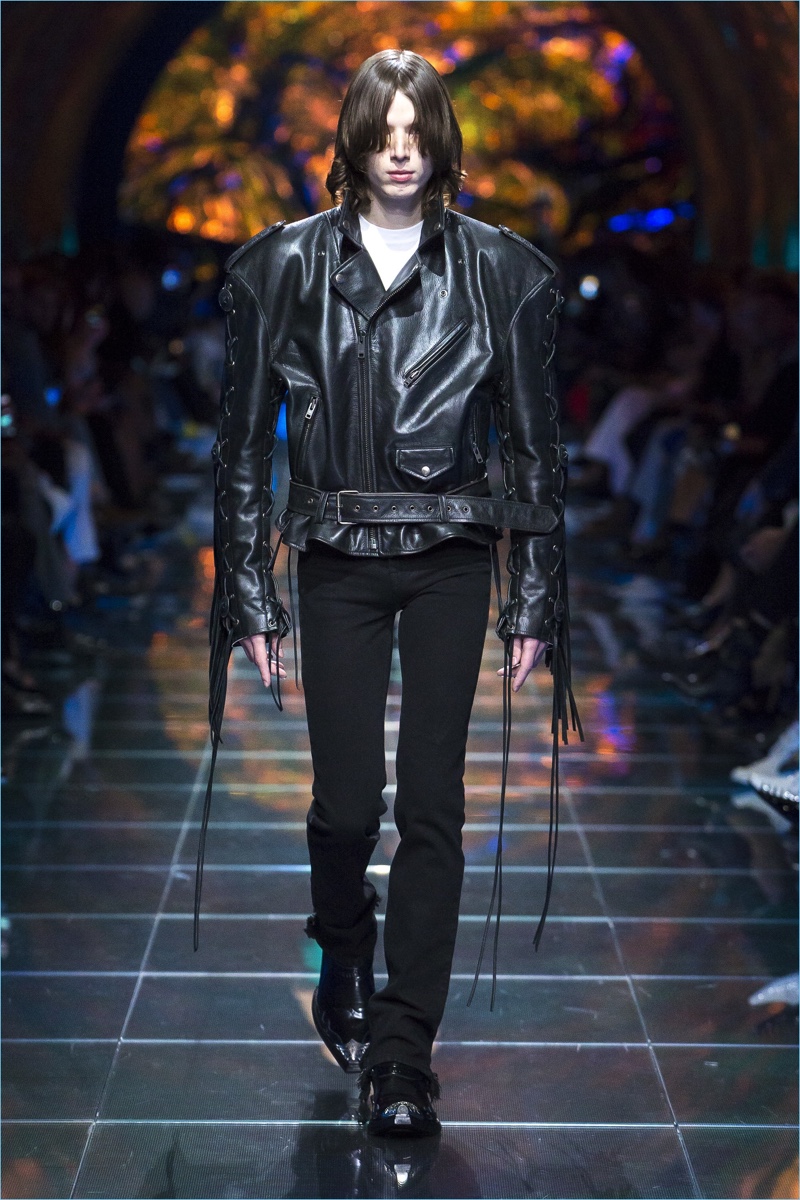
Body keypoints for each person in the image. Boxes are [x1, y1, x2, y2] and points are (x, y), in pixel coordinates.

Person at [197, 49, 580, 1138]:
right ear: (355, 143)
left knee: (432, 808)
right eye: (384, 132)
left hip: (454, 552)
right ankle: (341, 942)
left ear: (440, 142)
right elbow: (239, 449)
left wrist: (535, 592)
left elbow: (535, 446)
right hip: (337, 555)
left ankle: (404, 1056)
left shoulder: (502, 272)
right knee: (344, 803)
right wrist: (248, 593)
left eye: (418, 132)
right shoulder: (282, 268)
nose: (401, 152)